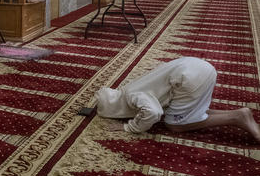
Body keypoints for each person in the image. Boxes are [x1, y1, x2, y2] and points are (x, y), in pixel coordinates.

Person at [95, 56, 260, 142]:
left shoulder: (132, 97)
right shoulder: (128, 90)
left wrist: (129, 127)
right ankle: (240, 114)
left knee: (174, 125)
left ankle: (236, 117)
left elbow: (153, 113)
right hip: (199, 67)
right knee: (192, 111)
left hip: (188, 78)